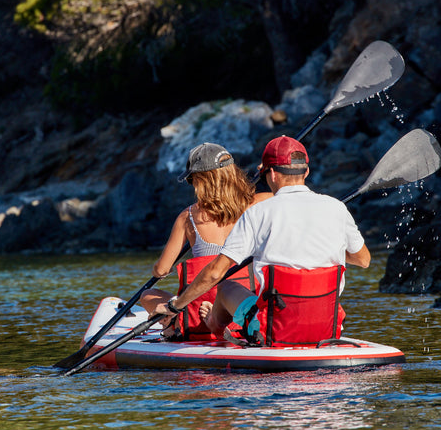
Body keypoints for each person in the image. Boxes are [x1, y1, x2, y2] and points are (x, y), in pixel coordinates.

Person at [151, 135, 370, 343]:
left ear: (271, 175)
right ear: (307, 171)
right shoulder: (336, 208)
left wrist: (175, 306)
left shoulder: (258, 213)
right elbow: (363, 260)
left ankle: (216, 326)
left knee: (226, 287)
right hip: (327, 327)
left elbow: (215, 273)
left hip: (272, 328)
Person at [140, 142, 270, 337]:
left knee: (147, 295)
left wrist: (158, 271)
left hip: (197, 317)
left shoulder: (188, 217)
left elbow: (161, 270)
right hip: (245, 307)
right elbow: (289, 194)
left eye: (192, 180)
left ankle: (171, 322)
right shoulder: (262, 202)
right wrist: (267, 173)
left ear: (200, 181)